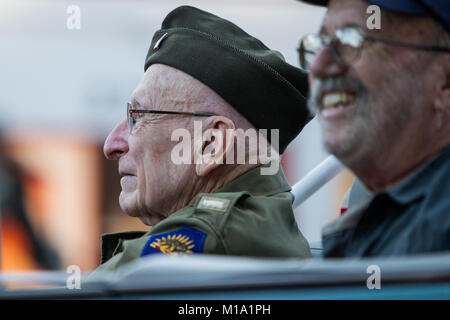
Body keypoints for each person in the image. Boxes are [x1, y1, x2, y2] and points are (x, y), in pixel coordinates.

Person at [92, 6, 312, 274]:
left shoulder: (206, 239)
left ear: (211, 144)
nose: (112, 145)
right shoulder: (253, 225)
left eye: (138, 117)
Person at [298, 0, 450, 257]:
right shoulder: (388, 214)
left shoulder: (437, 229)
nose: (318, 67)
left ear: (445, 81)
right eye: (320, 43)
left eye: (353, 40)